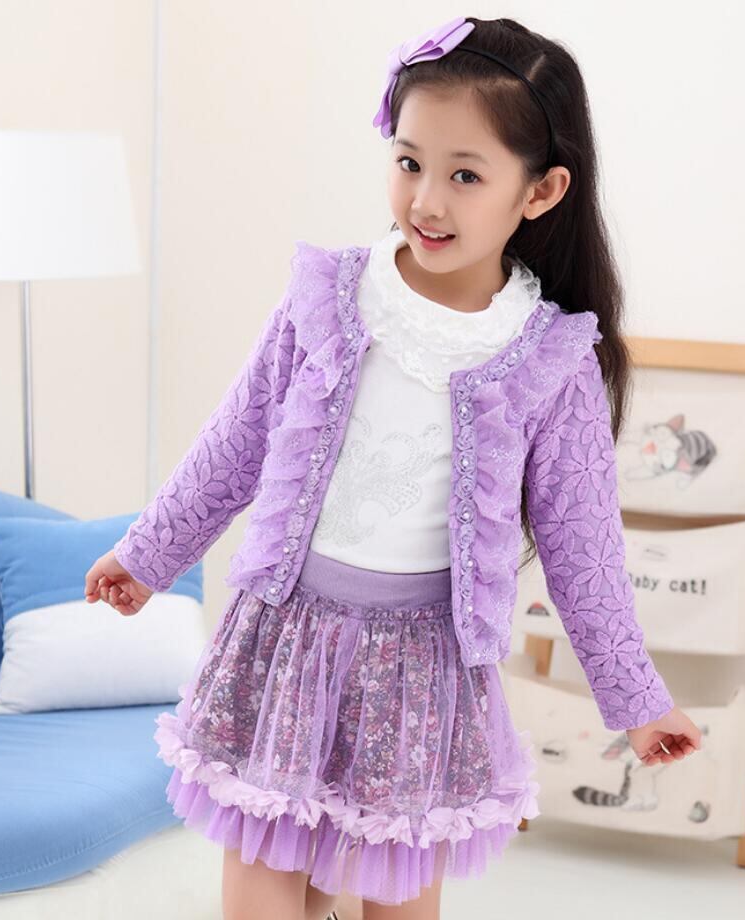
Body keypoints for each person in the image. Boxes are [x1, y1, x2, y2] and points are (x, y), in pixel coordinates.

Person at [84, 14, 701, 920]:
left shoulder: (548, 361)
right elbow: (240, 435)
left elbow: (585, 551)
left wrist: (636, 700)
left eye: (465, 175)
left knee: (396, 901)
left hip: (424, 671)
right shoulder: (330, 296)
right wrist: (149, 553)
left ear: (540, 191)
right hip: (287, 638)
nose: (427, 202)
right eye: (409, 162)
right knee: (264, 894)